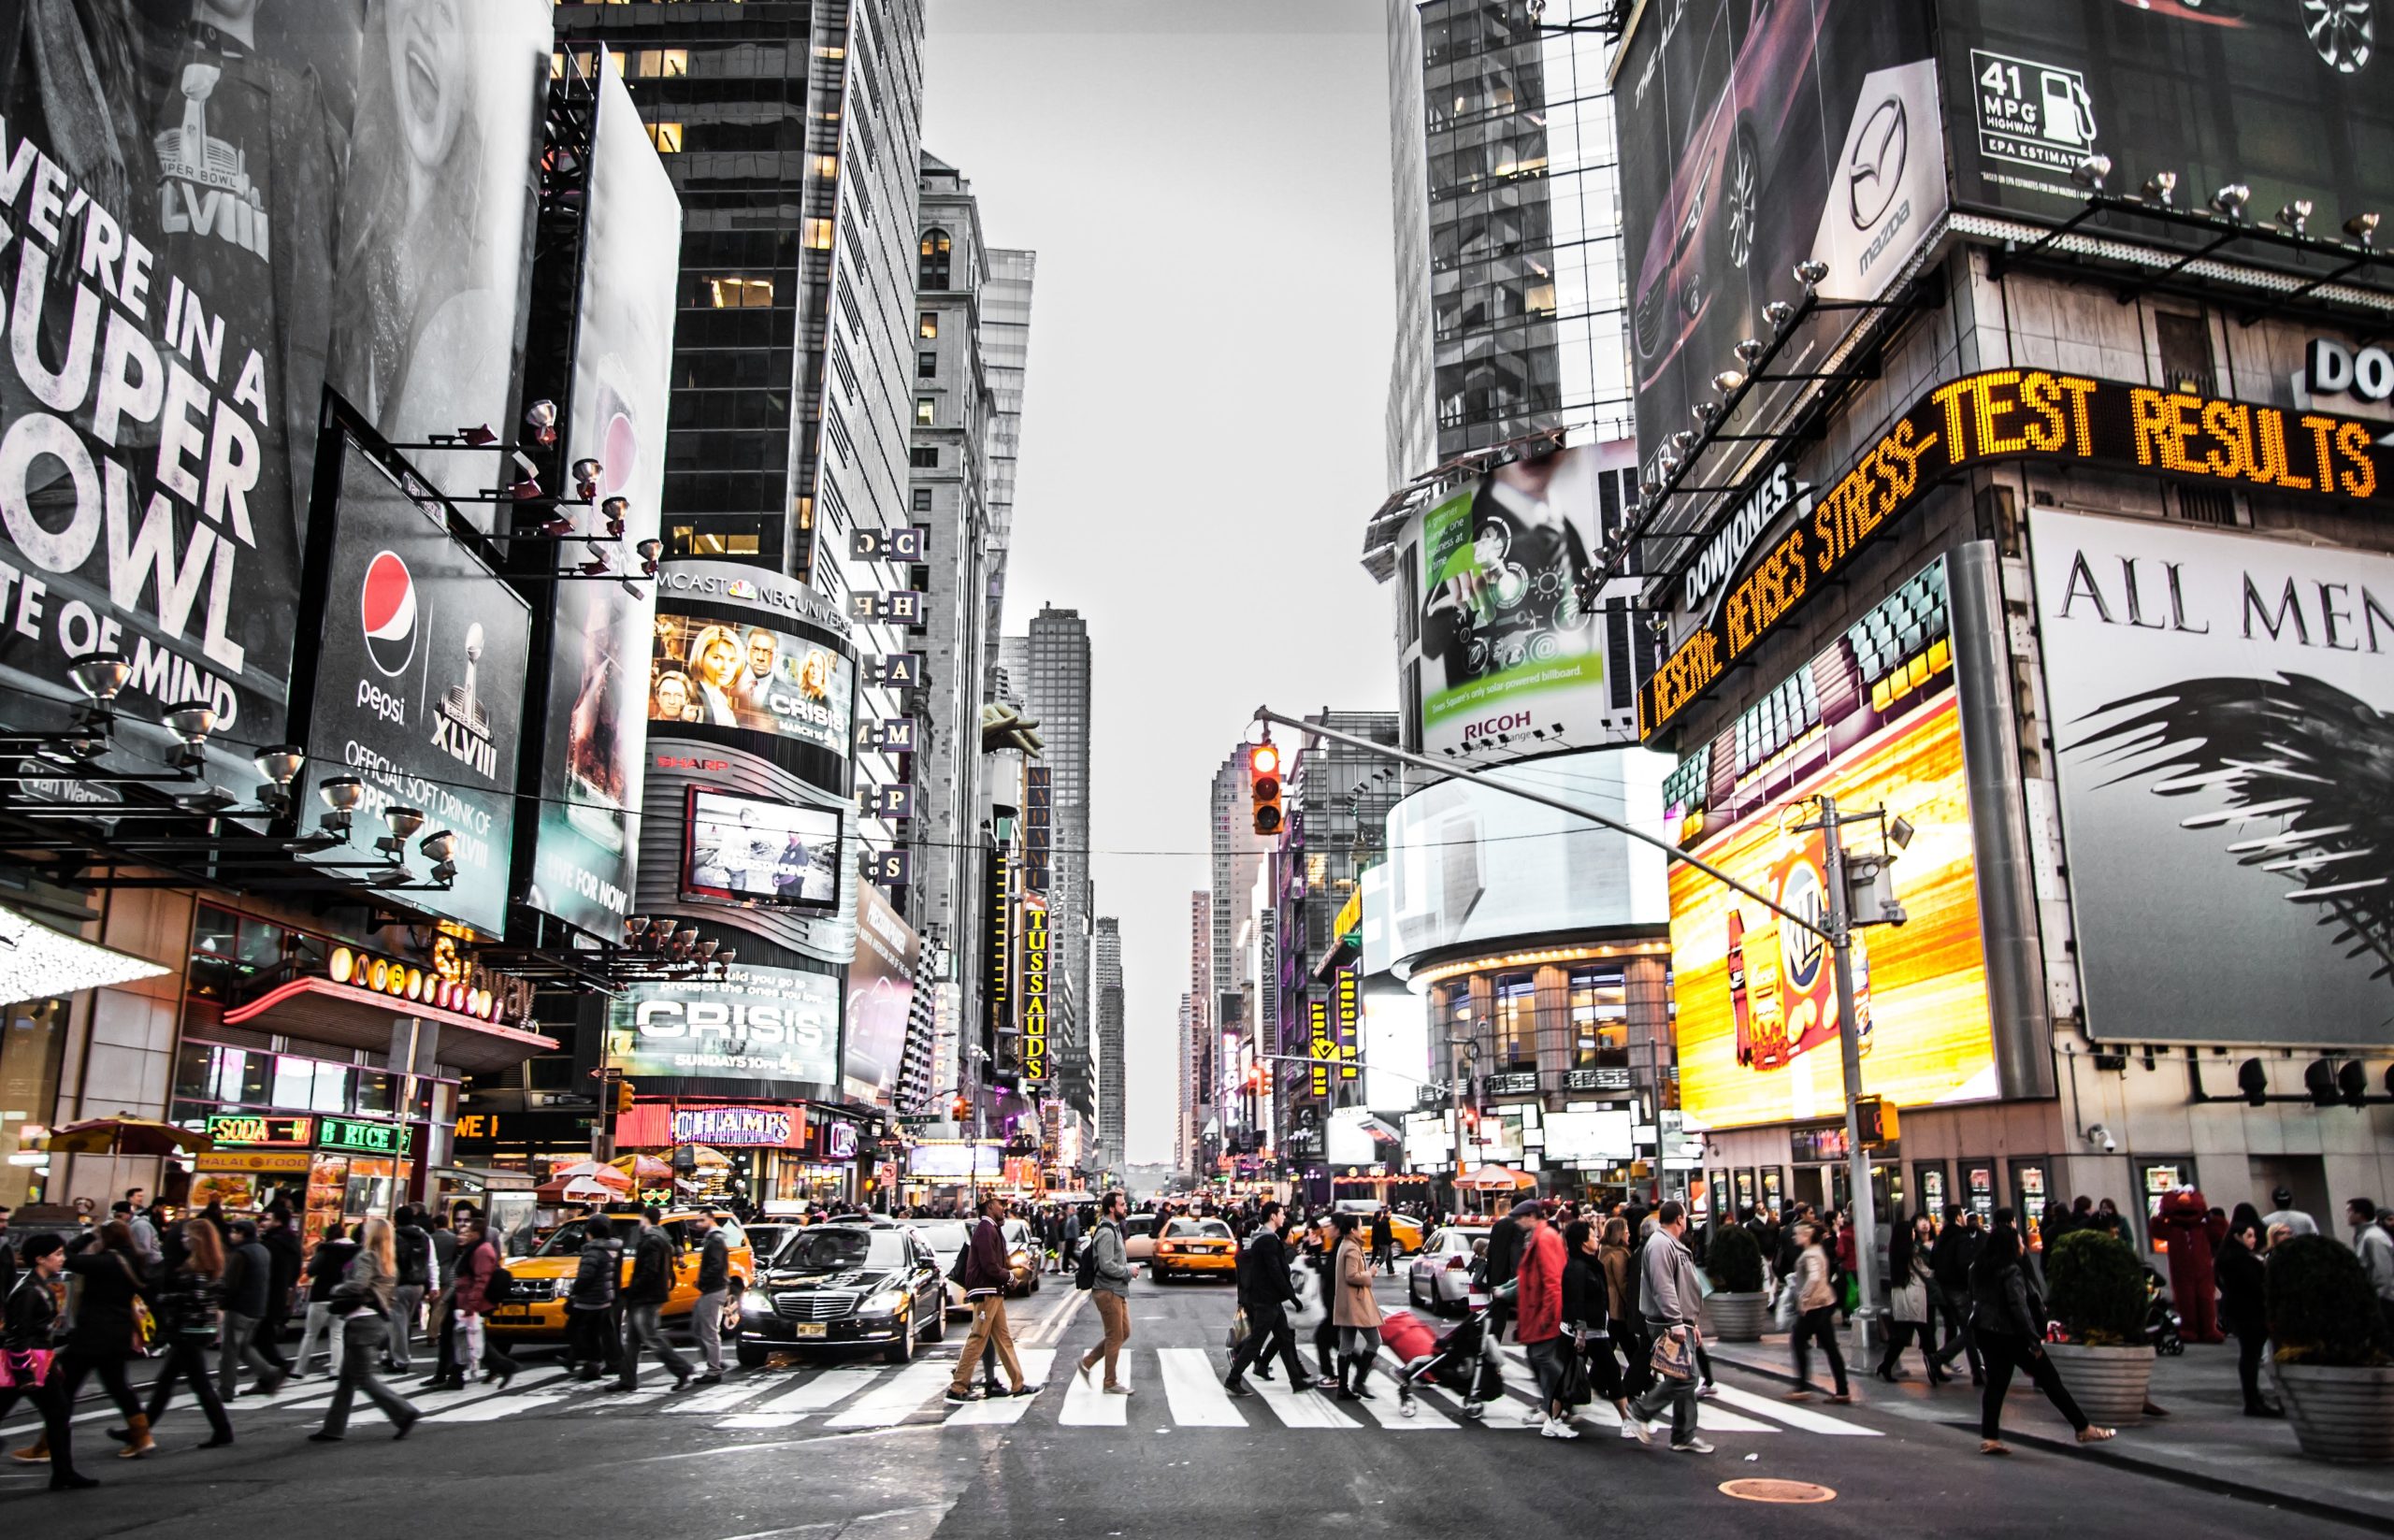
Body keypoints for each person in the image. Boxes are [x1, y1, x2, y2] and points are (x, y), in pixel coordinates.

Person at [1971, 1209, 2113, 1455]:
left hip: (1987, 1332)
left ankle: (1990, 1437)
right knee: (2050, 1380)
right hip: (2013, 1335)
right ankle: (2083, 1427)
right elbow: (2018, 1307)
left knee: (1996, 1385)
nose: (2023, 1244)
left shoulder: (1980, 1269)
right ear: (2010, 1245)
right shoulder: (2011, 1271)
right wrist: (2033, 1340)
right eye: (2019, 1241)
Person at [112, 1218, 233, 1455]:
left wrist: (166, 1298)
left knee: (195, 1384)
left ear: (198, 1240)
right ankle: (141, 1429)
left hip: (189, 1330)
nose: (184, 1240)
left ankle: (222, 1429)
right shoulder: (211, 1263)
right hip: (198, 1329)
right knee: (168, 1383)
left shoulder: (197, 1266)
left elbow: (195, 1297)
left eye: (188, 1237)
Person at [310, 1216, 419, 1442]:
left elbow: (358, 1285)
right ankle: (333, 1428)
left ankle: (403, 1412)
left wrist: (336, 1289)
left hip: (361, 1319)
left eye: (366, 1230)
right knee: (348, 1379)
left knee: (362, 1377)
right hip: (375, 1320)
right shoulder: (388, 1260)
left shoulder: (367, 1256)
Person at [3, 1234, 95, 1490]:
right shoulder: (28, 1291)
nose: (62, 1259)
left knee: (59, 1413)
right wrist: (25, 1374)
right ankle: (63, 1473)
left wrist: (51, 1365)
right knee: (57, 1413)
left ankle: (64, 1473)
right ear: (40, 1259)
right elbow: (17, 1335)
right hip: (26, 1365)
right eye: (56, 1254)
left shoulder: (40, 1286)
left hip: (39, 1363)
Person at [1624, 1202, 1711, 1454]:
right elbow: (1664, 1288)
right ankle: (1640, 1410)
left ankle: (1683, 1435)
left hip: (1678, 1321)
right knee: (1688, 1377)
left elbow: (1679, 1287)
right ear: (1681, 1219)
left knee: (1683, 1377)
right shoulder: (1661, 1245)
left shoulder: (1667, 1244)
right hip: (1667, 1322)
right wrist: (1677, 1322)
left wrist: (1690, 1322)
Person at [948, 1198, 1032, 1403]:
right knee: (978, 1337)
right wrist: (1011, 1277)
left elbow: (997, 1262)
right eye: (999, 1205)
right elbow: (990, 1266)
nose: (1003, 1209)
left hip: (992, 1291)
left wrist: (1015, 1268)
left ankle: (1018, 1383)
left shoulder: (991, 1228)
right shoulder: (986, 1229)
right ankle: (958, 1386)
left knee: (1003, 1339)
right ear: (989, 1207)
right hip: (986, 1292)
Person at [1223, 1201, 1309, 1396]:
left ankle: (1296, 1380)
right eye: (1281, 1214)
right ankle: (1233, 1379)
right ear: (1273, 1216)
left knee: (1285, 1338)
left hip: (1269, 1299)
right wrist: (1292, 1296)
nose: (1284, 1217)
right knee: (1256, 1341)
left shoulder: (1262, 1237)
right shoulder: (1268, 1240)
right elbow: (1275, 1271)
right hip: (1266, 1299)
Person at [1510, 1199, 1576, 1438]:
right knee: (1537, 1357)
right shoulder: (1542, 1236)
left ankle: (1564, 1399)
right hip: (1538, 1312)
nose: (1517, 1223)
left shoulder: (1545, 1238)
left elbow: (1552, 1282)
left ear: (1530, 1215)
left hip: (1543, 1313)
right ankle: (1555, 1407)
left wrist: (1548, 1316)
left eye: (1519, 1217)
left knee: (1541, 1358)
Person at [1563, 1217, 1632, 1434]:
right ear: (1583, 1242)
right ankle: (1553, 1420)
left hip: (1595, 1329)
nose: (1597, 1238)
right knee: (1571, 1375)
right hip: (1584, 1331)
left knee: (1607, 1372)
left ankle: (1628, 1420)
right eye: (1593, 1235)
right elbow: (1576, 1301)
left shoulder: (1591, 1262)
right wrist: (1581, 1332)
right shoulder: (1577, 1267)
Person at [615, 1208, 694, 1393]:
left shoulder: (652, 1241)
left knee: (650, 1337)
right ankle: (627, 1379)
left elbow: (649, 1271)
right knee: (633, 1339)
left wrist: (634, 1289)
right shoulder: (661, 1238)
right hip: (648, 1295)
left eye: (641, 1218)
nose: (639, 1222)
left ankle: (682, 1368)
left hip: (647, 1297)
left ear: (646, 1218)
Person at [2214, 1217, 2280, 1418]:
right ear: (2237, 1237)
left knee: (2250, 1356)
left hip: (2240, 1311)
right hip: (2249, 1312)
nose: (2253, 1240)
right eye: (2249, 1236)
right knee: (2250, 1356)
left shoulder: (2229, 1258)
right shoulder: (2240, 1260)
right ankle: (2253, 1400)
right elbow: (2255, 1285)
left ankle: (2254, 1398)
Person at [218, 1218, 286, 1402]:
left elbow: (231, 1283)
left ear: (242, 1234)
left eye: (234, 1232)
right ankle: (270, 1373)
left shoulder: (241, 1253)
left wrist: (222, 1303)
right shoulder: (263, 1250)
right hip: (258, 1307)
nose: (231, 1235)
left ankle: (226, 1389)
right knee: (243, 1347)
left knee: (230, 1350)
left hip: (239, 1306)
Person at [1877, 1214, 1949, 1385]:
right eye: (1911, 1232)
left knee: (1903, 1336)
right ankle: (1934, 1368)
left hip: (1902, 1297)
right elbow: (1927, 1271)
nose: (1914, 1234)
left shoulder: (1897, 1252)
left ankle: (1886, 1366)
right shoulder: (1912, 1252)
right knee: (1925, 1335)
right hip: (1914, 1298)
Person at [1785, 1219, 1852, 1402]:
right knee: (1830, 1347)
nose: (1794, 1236)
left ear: (1806, 1235)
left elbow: (1814, 1278)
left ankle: (1802, 1387)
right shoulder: (1817, 1251)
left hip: (1814, 1306)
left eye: (1797, 1233)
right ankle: (1842, 1390)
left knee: (1798, 1341)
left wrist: (1804, 1299)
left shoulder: (1810, 1255)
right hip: (1823, 1303)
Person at [452, 1215, 520, 1389]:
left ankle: (505, 1366)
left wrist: (471, 1304)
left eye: (469, 1230)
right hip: (465, 1299)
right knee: (469, 1338)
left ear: (477, 1233)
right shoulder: (474, 1248)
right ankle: (456, 1374)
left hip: (471, 1301)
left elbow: (482, 1279)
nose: (464, 1233)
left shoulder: (482, 1250)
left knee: (471, 1339)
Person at [1077, 1190, 1134, 1393]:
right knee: (1115, 1336)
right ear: (1112, 1208)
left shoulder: (1115, 1229)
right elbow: (1106, 1265)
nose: (1125, 1207)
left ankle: (1087, 1362)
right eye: (1121, 1204)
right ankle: (1110, 1382)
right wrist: (1128, 1271)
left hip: (1117, 1290)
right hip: (1107, 1290)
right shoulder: (1106, 1232)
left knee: (1123, 1333)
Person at [294, 1221, 359, 1379]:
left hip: (322, 1294)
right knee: (337, 1334)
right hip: (342, 1296)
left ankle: (299, 1369)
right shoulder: (356, 1251)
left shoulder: (326, 1249)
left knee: (310, 1334)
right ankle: (335, 1370)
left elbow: (312, 1270)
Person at [1330, 1213, 1382, 1401]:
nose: (1362, 1230)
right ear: (1352, 1230)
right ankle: (1359, 1381)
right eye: (1360, 1226)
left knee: (1346, 1346)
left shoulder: (1345, 1245)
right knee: (1375, 1341)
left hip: (1347, 1303)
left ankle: (1343, 1388)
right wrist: (1370, 1273)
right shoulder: (1352, 1248)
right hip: (1357, 1303)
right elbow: (1352, 1276)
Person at [1930, 1204, 1984, 1384]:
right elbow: (1964, 1264)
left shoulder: (1942, 1237)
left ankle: (1977, 1372)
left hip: (1945, 1288)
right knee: (1970, 1330)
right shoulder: (1961, 1238)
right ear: (1958, 1218)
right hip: (1959, 1289)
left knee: (1968, 1330)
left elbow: (1933, 1261)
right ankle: (1939, 1358)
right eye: (1962, 1214)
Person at [566, 1214, 623, 1379]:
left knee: (578, 1330)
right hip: (605, 1296)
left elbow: (585, 1277)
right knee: (600, 1331)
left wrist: (574, 1292)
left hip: (589, 1299)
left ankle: (588, 1363)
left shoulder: (593, 1251)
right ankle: (600, 1363)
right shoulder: (613, 1249)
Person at [688, 1210, 731, 1384]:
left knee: (709, 1331)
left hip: (714, 1289)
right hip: (712, 1288)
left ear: (711, 1220)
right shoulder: (713, 1239)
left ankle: (714, 1370)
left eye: (702, 1220)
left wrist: (702, 1281)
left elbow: (716, 1265)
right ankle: (715, 1361)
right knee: (699, 1327)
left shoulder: (715, 1240)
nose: (698, 1224)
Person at [389, 1205, 432, 1374]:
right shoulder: (423, 1236)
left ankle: (400, 1360)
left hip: (401, 1283)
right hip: (419, 1284)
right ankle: (392, 1354)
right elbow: (430, 1261)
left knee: (398, 1323)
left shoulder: (396, 1237)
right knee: (403, 1322)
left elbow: (392, 1260)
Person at [2349, 1199, 2394, 1337]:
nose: (2348, 1215)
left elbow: (2383, 1272)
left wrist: (2378, 1299)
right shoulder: (2363, 1235)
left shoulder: (2372, 1237)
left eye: (2350, 1211)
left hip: (2385, 1300)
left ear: (2360, 1214)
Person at [1372, 1207, 1396, 1276]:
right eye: (1389, 1214)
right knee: (1383, 1257)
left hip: (1385, 1242)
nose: (1390, 1215)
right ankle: (1373, 1269)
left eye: (1390, 1214)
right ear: (1385, 1214)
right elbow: (1386, 1234)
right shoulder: (1385, 1222)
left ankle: (1391, 1271)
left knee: (1389, 1257)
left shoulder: (1384, 1221)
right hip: (1384, 1243)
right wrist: (1391, 1241)